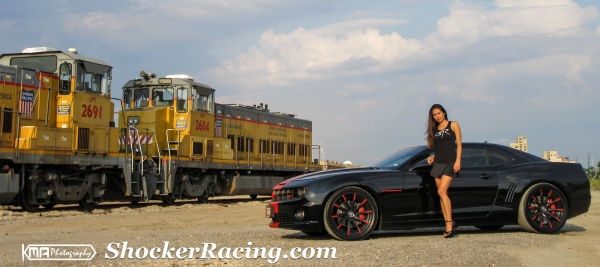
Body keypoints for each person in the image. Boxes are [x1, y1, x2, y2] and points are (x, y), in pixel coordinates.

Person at [425, 104, 462, 238]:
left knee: (441, 191)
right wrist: (432, 157)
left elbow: (458, 143)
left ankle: (449, 225)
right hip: (438, 163)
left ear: (444, 113)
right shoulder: (434, 129)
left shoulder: (453, 125)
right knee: (441, 194)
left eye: (439, 113)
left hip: (450, 162)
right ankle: (449, 223)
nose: (437, 116)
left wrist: (458, 161)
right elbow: (439, 147)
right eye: (434, 115)